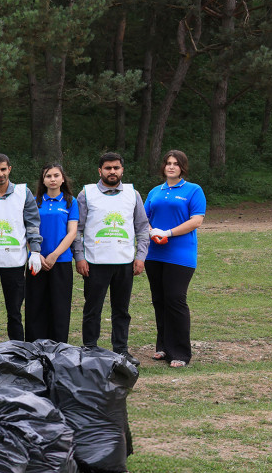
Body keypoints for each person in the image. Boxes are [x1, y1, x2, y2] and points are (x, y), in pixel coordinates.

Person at [72, 152, 150, 360]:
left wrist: (140, 256)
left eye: (116, 168)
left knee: (121, 310)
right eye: (108, 168)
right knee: (92, 308)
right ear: (100, 171)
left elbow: (142, 228)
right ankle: (90, 349)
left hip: (125, 262)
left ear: (122, 170)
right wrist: (79, 257)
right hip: (94, 262)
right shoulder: (86, 194)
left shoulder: (133, 194)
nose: (112, 171)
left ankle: (121, 351)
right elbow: (76, 230)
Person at [144, 150, 206, 367]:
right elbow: (143, 219)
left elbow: (196, 221)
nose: (171, 167)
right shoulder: (155, 191)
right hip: (154, 254)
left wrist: (167, 233)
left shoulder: (193, 190)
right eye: (168, 163)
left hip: (180, 255)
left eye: (175, 164)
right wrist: (152, 231)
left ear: (182, 167)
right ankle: (163, 347)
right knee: (159, 300)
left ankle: (180, 353)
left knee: (175, 300)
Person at [0, 153, 42, 347]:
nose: (0, 174)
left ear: (9, 169)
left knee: (14, 310)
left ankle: (18, 347)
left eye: (3, 169)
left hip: (15, 261)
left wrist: (35, 251)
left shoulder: (23, 193)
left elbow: (32, 223)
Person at [25, 163, 78, 344]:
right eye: (48, 176)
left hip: (60, 261)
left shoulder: (71, 201)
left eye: (56, 175)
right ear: (43, 180)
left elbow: (72, 232)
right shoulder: (33, 200)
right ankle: (35, 346)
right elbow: (27, 229)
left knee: (60, 306)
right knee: (36, 305)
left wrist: (55, 254)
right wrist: (35, 253)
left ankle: (59, 346)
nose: (52, 179)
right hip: (36, 260)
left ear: (62, 178)